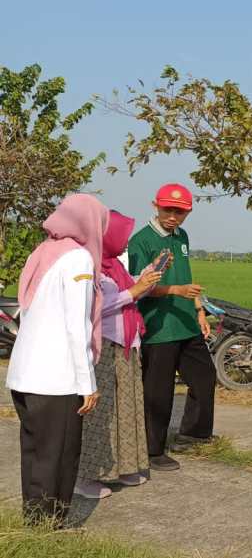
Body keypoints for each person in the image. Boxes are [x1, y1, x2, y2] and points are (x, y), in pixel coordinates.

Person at [7, 194, 108, 526]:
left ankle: (34, 523)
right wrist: (87, 383)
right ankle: (50, 526)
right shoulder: (77, 258)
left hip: (25, 375)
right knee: (59, 456)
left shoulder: (45, 251)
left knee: (36, 455)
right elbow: (77, 325)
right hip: (56, 379)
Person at [128, 184, 216, 472]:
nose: (173, 217)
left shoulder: (182, 236)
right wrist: (175, 290)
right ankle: (152, 450)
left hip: (186, 322)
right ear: (155, 205)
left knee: (204, 376)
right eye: (168, 210)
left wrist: (199, 310)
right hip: (159, 327)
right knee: (158, 391)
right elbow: (138, 287)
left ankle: (193, 434)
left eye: (180, 212)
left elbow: (186, 276)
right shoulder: (141, 241)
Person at [75, 212, 162, 499]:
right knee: (101, 414)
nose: (125, 243)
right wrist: (134, 291)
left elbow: (130, 290)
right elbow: (95, 306)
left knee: (126, 410)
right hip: (104, 347)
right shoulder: (89, 266)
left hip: (125, 345)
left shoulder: (114, 266)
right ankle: (87, 477)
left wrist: (147, 276)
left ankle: (123, 468)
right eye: (122, 237)